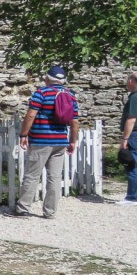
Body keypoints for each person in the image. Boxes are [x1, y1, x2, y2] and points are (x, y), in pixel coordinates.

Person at [14, 65, 80, 219]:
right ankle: (50, 212)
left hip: (40, 140)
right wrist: (72, 141)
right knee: (55, 177)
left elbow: (30, 115)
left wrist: (23, 134)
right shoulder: (71, 95)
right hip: (60, 142)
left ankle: (23, 208)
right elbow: (75, 122)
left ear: (47, 78)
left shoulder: (41, 93)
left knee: (32, 175)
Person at [119, 71, 137, 205]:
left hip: (134, 135)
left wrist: (125, 139)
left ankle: (132, 197)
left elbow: (131, 119)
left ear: (131, 81)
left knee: (132, 164)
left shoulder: (134, 97)